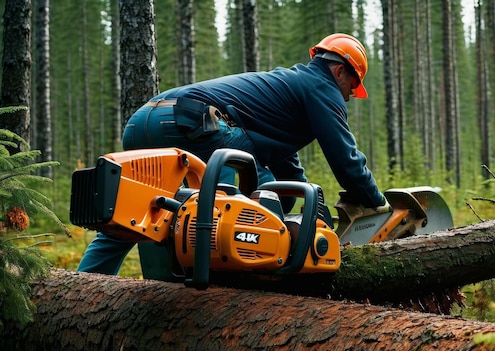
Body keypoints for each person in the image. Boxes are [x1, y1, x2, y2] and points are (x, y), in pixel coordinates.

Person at [77, 33, 389, 274]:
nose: (349, 96)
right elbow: (345, 159)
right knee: (245, 197)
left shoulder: (288, 92)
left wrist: (299, 218)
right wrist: (378, 203)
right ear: (339, 71)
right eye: (353, 85)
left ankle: (85, 291)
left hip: (144, 120)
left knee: (130, 216)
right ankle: (231, 289)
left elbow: (291, 176)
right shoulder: (322, 88)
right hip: (192, 123)